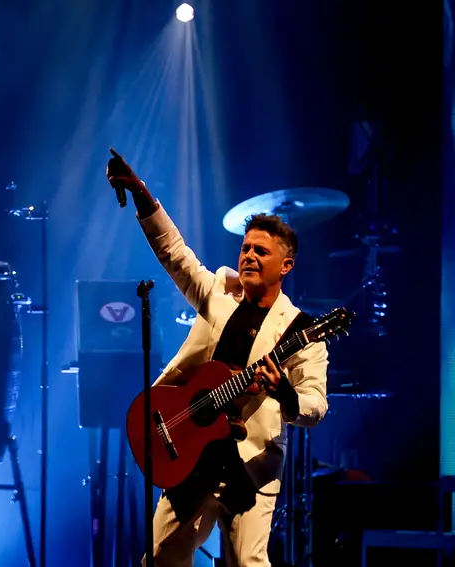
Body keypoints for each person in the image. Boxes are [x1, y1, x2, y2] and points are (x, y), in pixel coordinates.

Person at [106, 148, 329, 567]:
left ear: (286, 265)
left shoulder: (303, 332)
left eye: (261, 251)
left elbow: (316, 405)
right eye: (246, 248)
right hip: (187, 452)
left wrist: (286, 395)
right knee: (158, 560)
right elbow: (174, 252)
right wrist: (141, 193)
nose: (248, 256)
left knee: (247, 565)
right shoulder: (218, 296)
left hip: (249, 468)